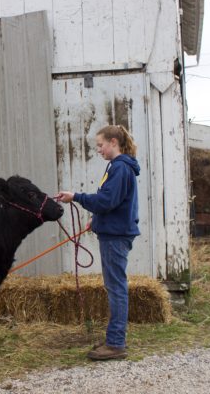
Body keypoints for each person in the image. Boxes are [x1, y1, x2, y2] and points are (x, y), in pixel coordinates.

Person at [56, 124, 140, 361]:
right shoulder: (116, 167)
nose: (99, 150)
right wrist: (97, 219)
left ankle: (115, 343)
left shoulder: (121, 168)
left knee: (116, 289)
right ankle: (114, 339)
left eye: (101, 145)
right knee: (115, 288)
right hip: (112, 232)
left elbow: (106, 201)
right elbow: (113, 203)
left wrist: (76, 197)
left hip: (115, 237)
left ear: (114, 142)